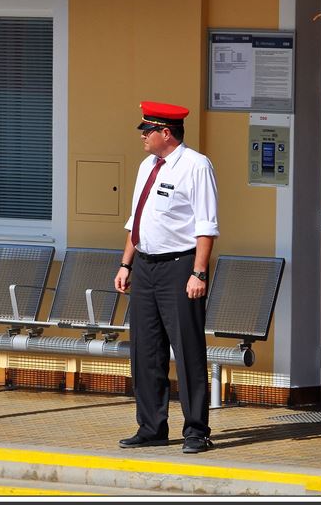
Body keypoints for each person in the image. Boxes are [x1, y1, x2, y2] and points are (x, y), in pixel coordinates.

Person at [114, 101, 219, 454]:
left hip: (179, 267)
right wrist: (126, 264)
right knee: (145, 350)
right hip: (145, 266)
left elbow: (206, 225)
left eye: (148, 130)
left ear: (166, 133)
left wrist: (198, 272)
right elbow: (137, 220)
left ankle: (196, 430)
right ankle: (151, 426)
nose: (143, 136)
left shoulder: (195, 166)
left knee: (187, 350)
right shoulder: (148, 165)